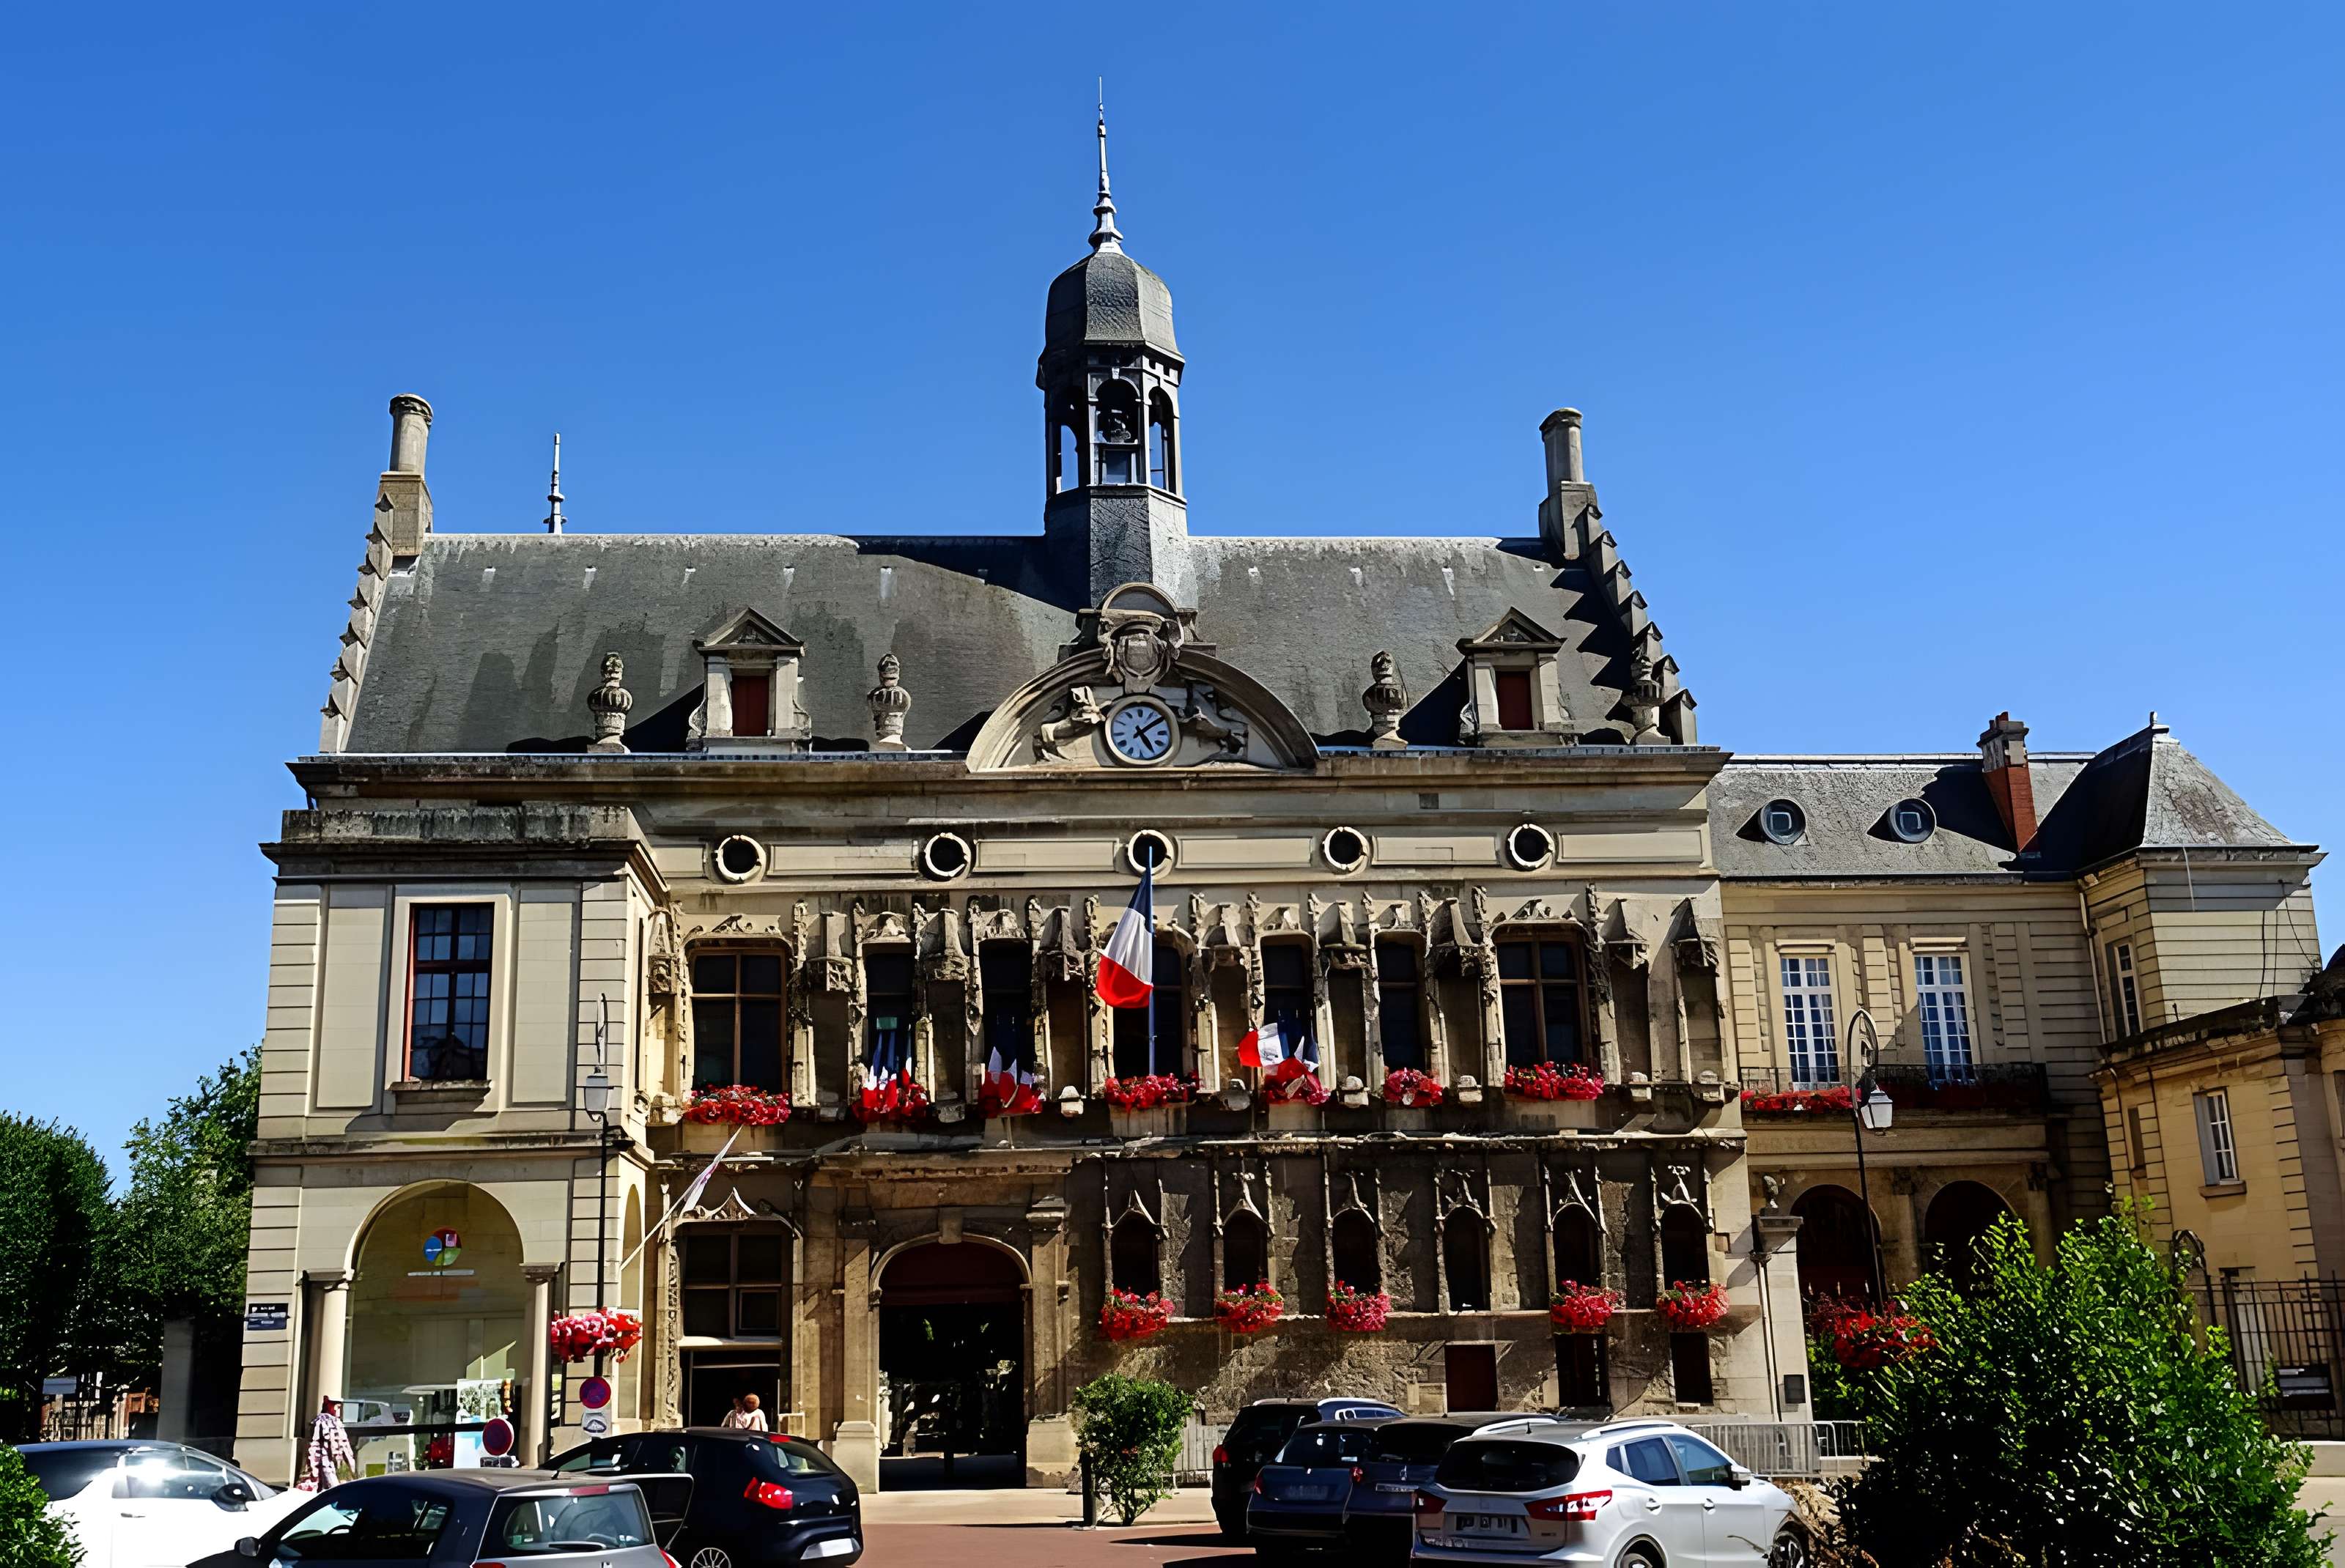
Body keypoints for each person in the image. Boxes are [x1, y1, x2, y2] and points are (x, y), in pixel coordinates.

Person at [300, 1397, 356, 1490]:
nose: (339, 1411)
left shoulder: (319, 1422)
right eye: (337, 1407)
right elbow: (342, 1446)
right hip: (326, 1464)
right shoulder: (330, 1423)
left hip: (321, 1466)